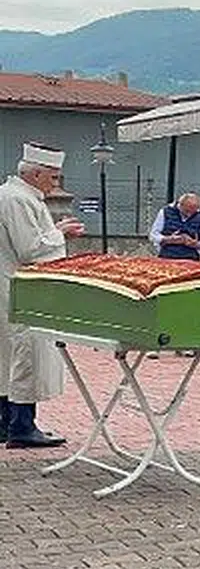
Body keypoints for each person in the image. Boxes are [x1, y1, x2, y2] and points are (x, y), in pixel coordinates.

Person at [0, 143, 85, 448]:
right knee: (26, 355)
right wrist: (60, 232)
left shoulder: (12, 196)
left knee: (7, 357)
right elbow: (29, 249)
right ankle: (22, 426)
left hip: (10, 287)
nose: (56, 184)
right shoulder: (19, 200)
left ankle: (6, 423)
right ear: (35, 174)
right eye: (53, 178)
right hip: (20, 289)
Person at [148, 193, 200, 259]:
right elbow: (153, 235)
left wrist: (195, 244)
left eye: (193, 212)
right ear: (180, 205)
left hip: (191, 257)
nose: (189, 214)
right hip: (167, 255)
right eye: (186, 211)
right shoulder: (165, 212)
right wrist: (169, 239)